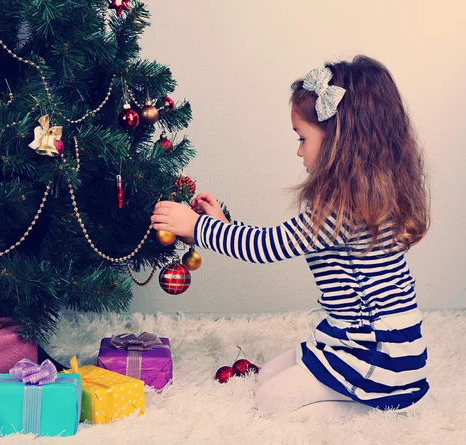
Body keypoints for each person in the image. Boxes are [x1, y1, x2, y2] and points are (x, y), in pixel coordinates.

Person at [151, 55, 430, 418]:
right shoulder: (363, 196)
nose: (299, 151)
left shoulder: (344, 210)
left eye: (303, 139)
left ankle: (387, 407)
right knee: (266, 377)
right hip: (354, 339)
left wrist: (196, 227)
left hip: (378, 353)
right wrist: (222, 223)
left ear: (340, 143)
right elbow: (276, 240)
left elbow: (266, 248)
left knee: (272, 402)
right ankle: (371, 394)